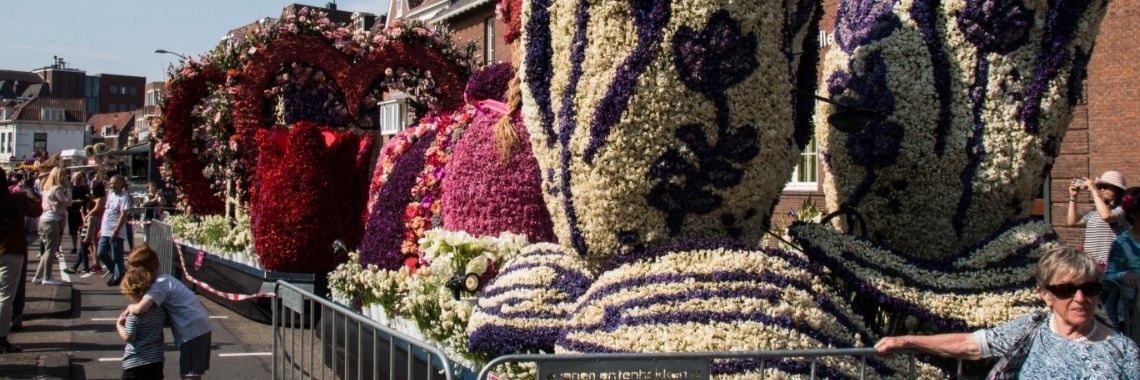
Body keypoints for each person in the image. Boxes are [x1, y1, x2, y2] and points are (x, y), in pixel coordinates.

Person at [875, 246, 1140, 378]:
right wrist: (905, 341)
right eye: (1066, 290)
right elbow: (970, 345)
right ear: (1045, 295)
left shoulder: (1122, 350)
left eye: (1090, 288)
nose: (1080, 298)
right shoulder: (1030, 330)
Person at [126, 246, 212, 380]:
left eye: (134, 268)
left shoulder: (159, 285)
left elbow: (140, 309)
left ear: (142, 270)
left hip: (192, 329)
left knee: (189, 373)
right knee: (193, 372)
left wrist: (130, 308)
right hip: (199, 325)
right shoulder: (165, 279)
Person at [0, 167, 42, 353]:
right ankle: (1, 338)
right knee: (5, 297)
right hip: (10, 249)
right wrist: (28, 187)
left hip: (9, 248)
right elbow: (37, 209)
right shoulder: (14, 201)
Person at [1068, 171, 1130, 266]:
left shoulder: (1122, 210)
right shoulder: (1095, 210)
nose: (1101, 190)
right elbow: (1073, 222)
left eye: (1105, 187)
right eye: (1100, 187)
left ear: (1117, 190)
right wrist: (1073, 198)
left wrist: (1094, 191)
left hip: (1111, 265)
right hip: (1090, 265)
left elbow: (1106, 216)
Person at [116, 267, 165, 379]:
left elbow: (129, 337)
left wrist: (119, 325)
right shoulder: (159, 309)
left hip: (135, 361)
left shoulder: (134, 315)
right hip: (156, 359)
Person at [1106, 187, 1140, 330]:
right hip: (1133, 313)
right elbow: (1108, 276)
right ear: (1133, 214)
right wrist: (1125, 275)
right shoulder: (1122, 243)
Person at [33, 167, 70, 286]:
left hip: (44, 219)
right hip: (52, 220)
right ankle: (47, 277)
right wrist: (68, 189)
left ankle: (38, 276)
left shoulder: (46, 188)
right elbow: (68, 202)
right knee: (51, 249)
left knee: (47, 249)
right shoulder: (57, 189)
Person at [67, 178, 106, 275]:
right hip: (92, 221)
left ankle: (95, 264)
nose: (92, 190)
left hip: (97, 221)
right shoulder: (95, 198)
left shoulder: (101, 199)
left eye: (93, 188)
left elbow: (96, 209)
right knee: (90, 246)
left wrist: (87, 215)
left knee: (93, 244)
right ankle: (93, 263)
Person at [97, 175, 130, 286]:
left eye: (115, 183)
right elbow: (107, 212)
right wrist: (102, 228)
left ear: (121, 184)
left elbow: (123, 215)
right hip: (106, 229)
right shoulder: (110, 195)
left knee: (117, 255)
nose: (112, 186)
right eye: (111, 184)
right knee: (101, 253)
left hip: (116, 230)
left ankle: (118, 276)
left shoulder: (124, 197)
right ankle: (117, 272)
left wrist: (116, 230)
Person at [67, 171, 90, 254]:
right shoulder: (70, 188)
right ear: (73, 179)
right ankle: (74, 247)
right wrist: (76, 201)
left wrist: (87, 200)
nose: (79, 180)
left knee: (83, 229)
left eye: (80, 178)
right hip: (72, 211)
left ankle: (84, 246)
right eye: (77, 178)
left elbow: (88, 197)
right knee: (73, 230)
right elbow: (67, 200)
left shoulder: (84, 187)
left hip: (82, 210)